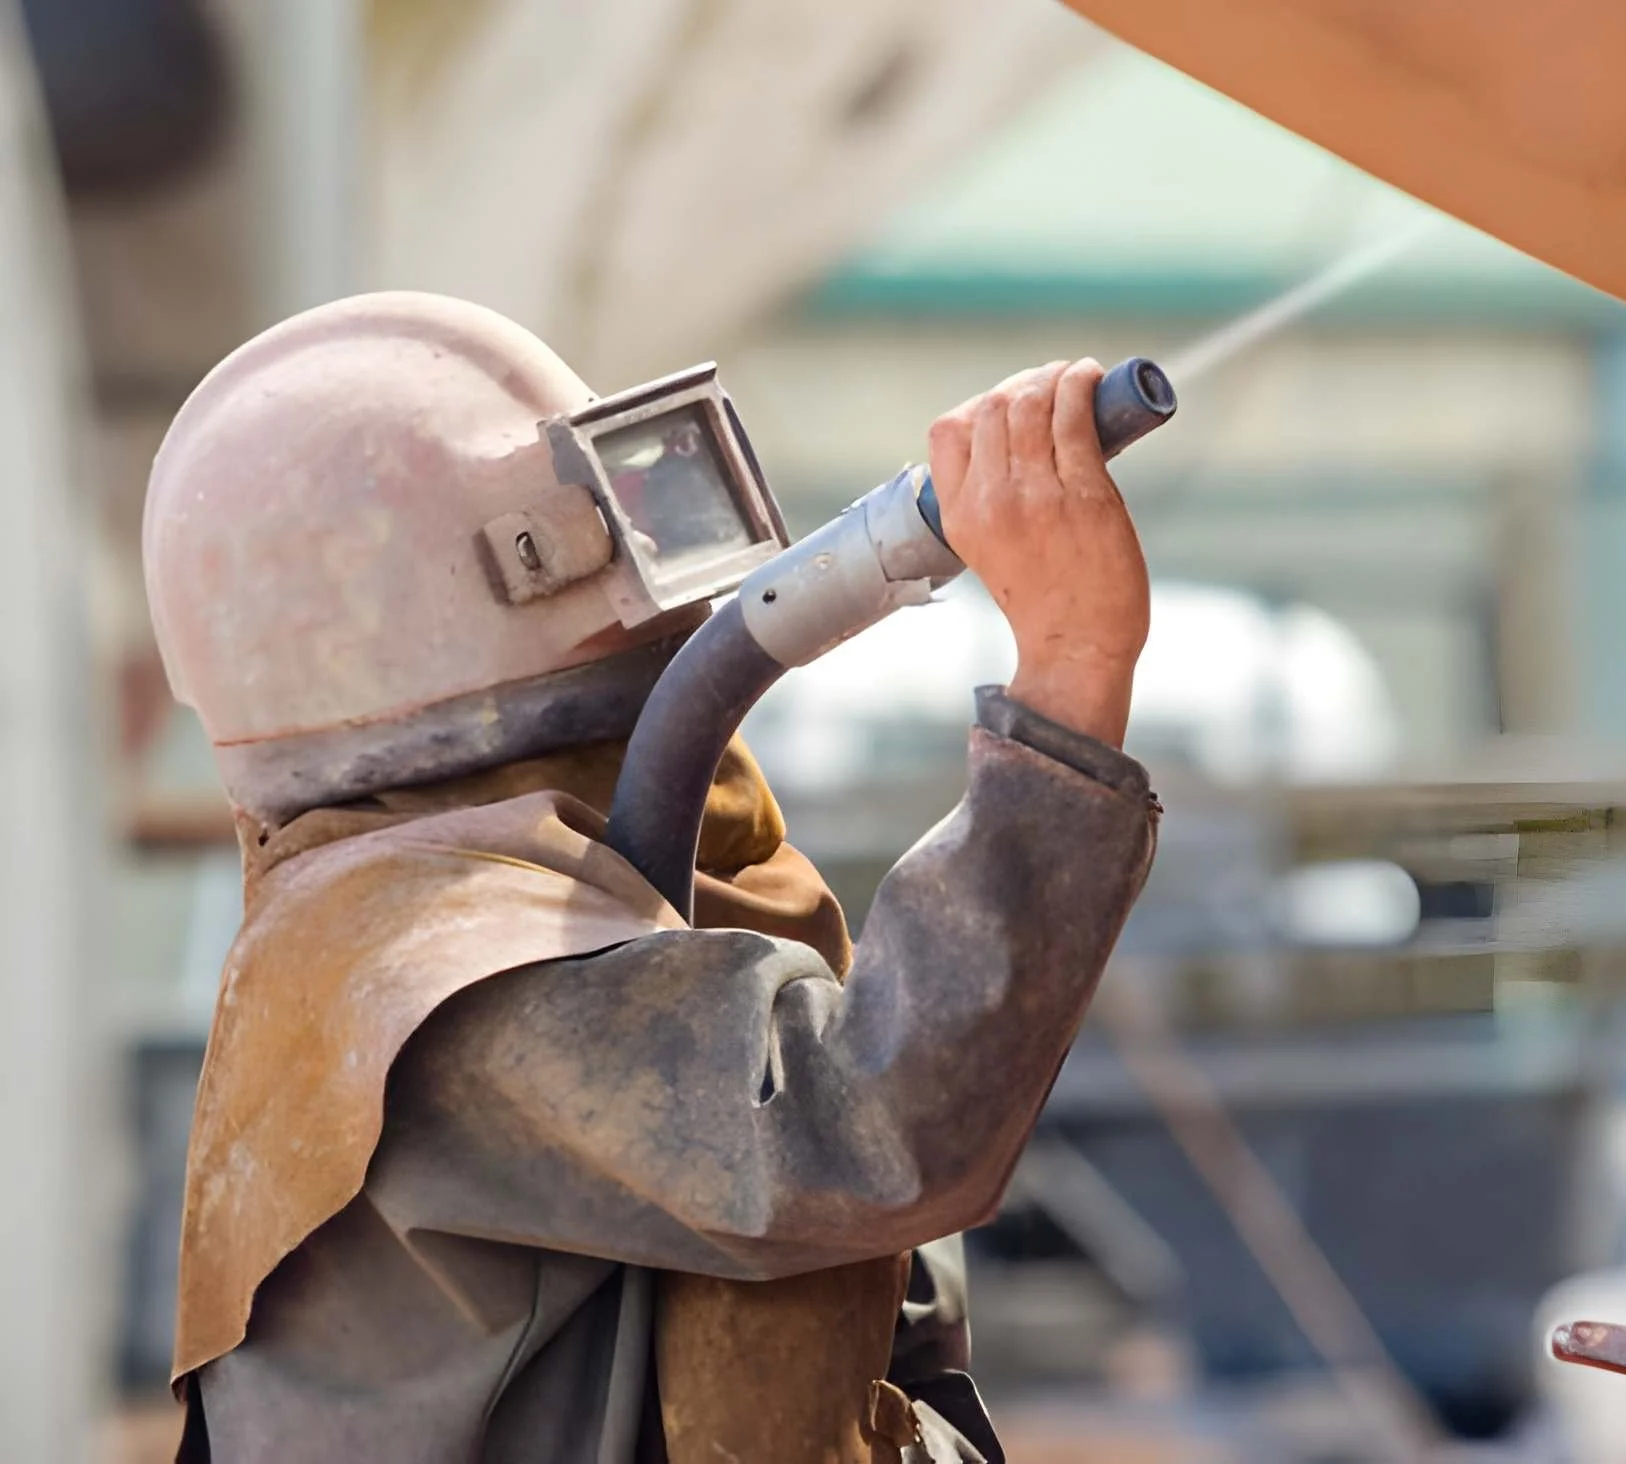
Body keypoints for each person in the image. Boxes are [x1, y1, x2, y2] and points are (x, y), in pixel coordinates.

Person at [143, 292, 1160, 1463]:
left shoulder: (566, 875)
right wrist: (1072, 675)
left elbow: (883, 1326)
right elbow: (875, 1133)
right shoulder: (428, 963)